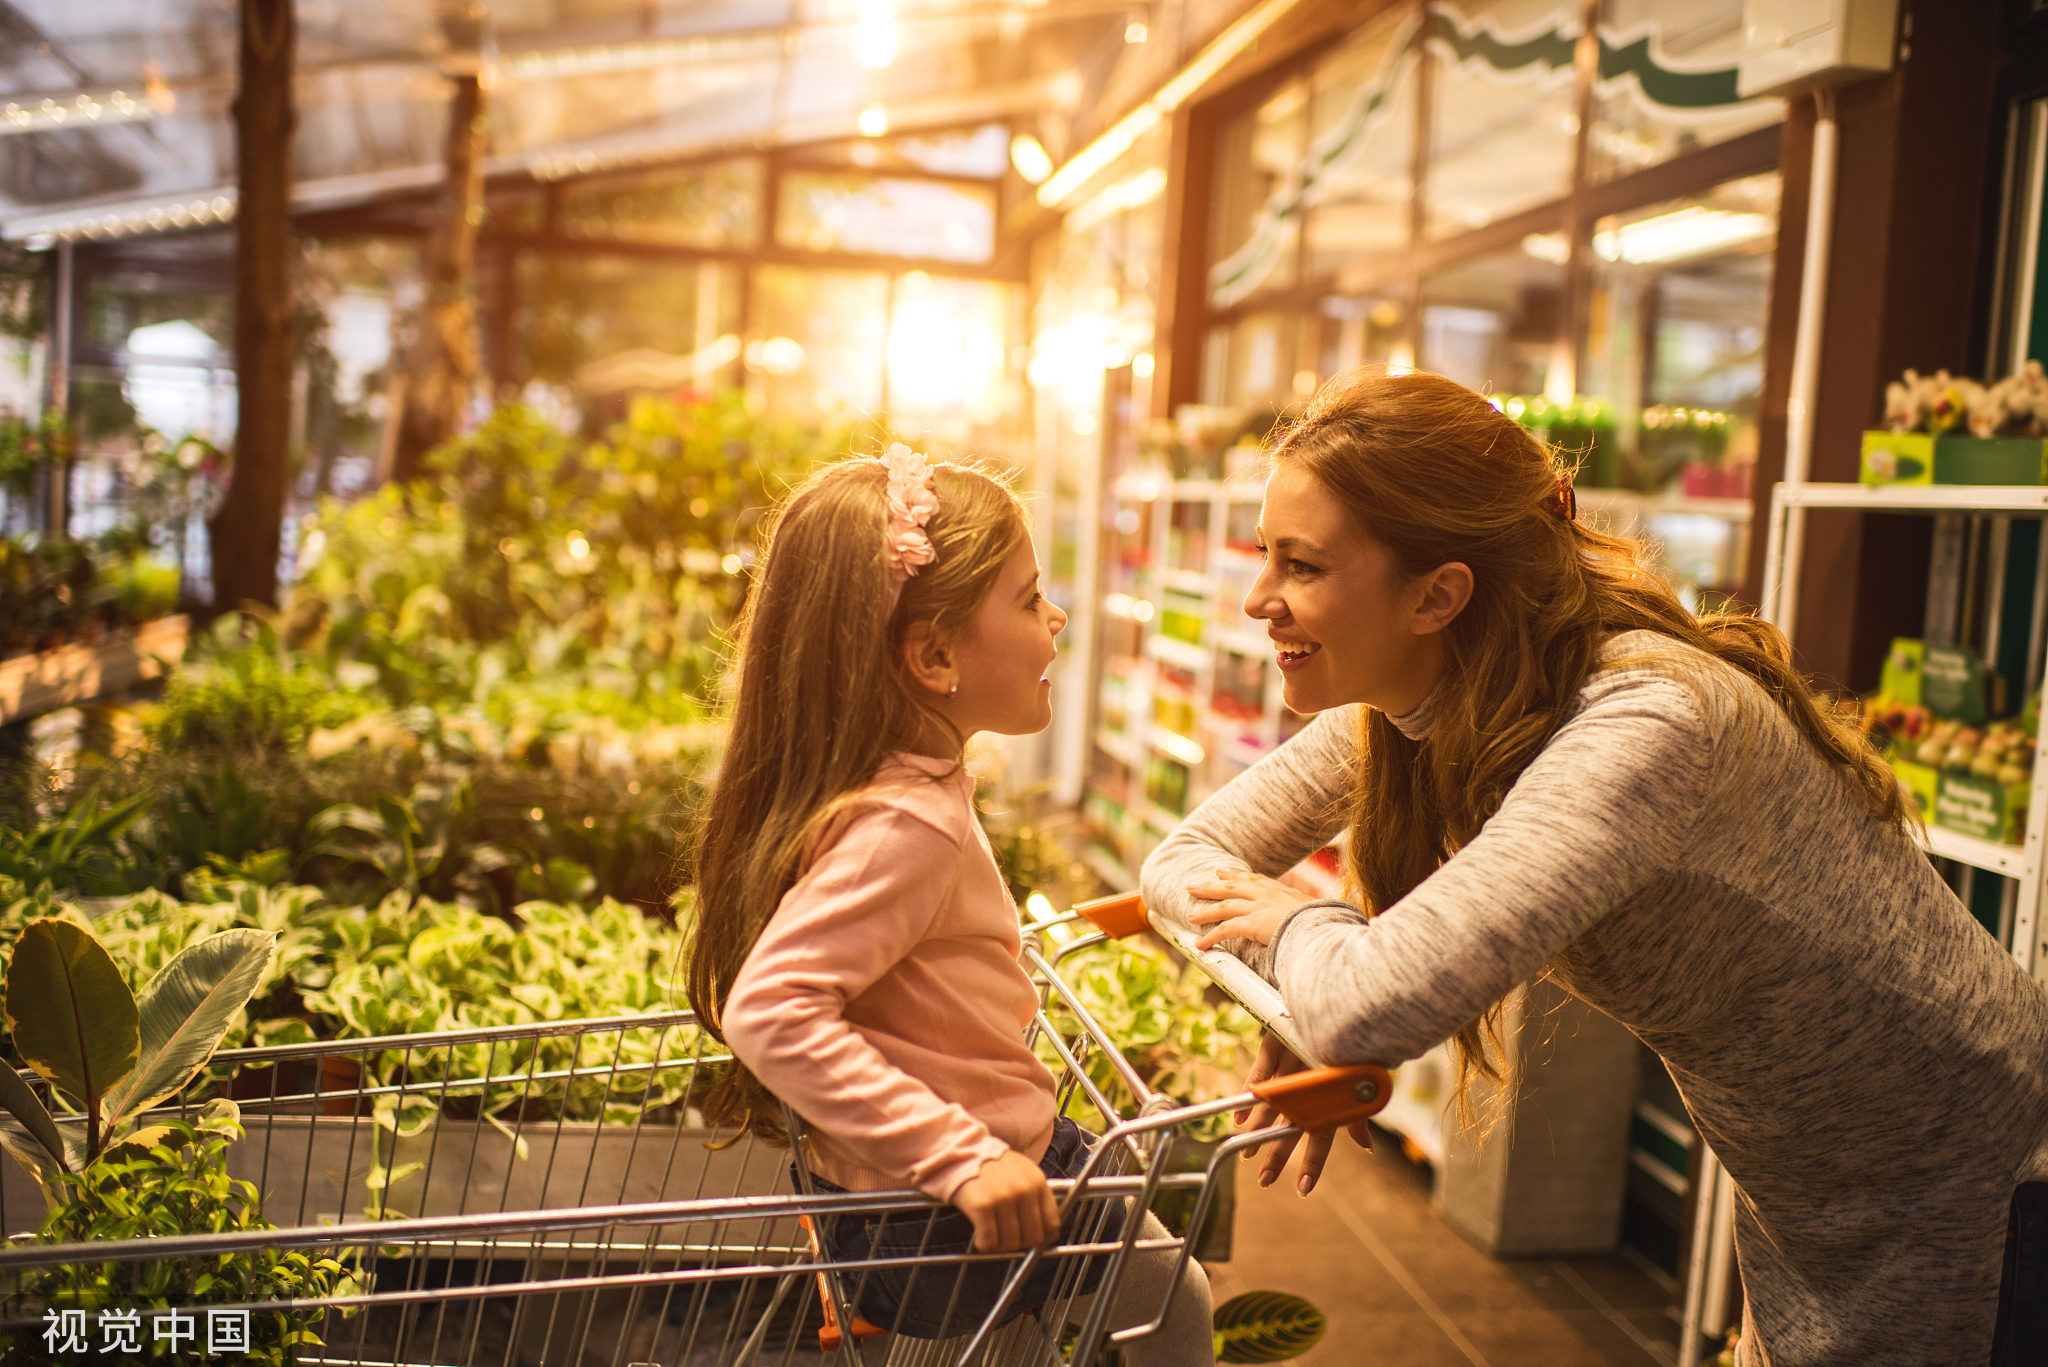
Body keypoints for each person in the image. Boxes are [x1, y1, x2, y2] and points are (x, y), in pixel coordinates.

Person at [1139, 369, 2048, 1367]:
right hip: (1812, 1190)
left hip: (1977, 1189)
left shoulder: (1643, 721)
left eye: (1300, 565)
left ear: (1438, 594)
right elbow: (1180, 859)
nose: (1259, 597)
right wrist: (1296, 990)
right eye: (1266, 555)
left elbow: (1368, 1008)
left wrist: (1289, 931)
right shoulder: (1416, 703)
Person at [689, 446, 1214, 1362]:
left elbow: (917, 953)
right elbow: (770, 1011)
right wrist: (964, 1159)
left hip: (893, 1202)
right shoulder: (908, 822)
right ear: (934, 655)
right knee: (1174, 1290)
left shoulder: (889, 787)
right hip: (940, 1203)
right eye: (1028, 597)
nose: (1057, 616)